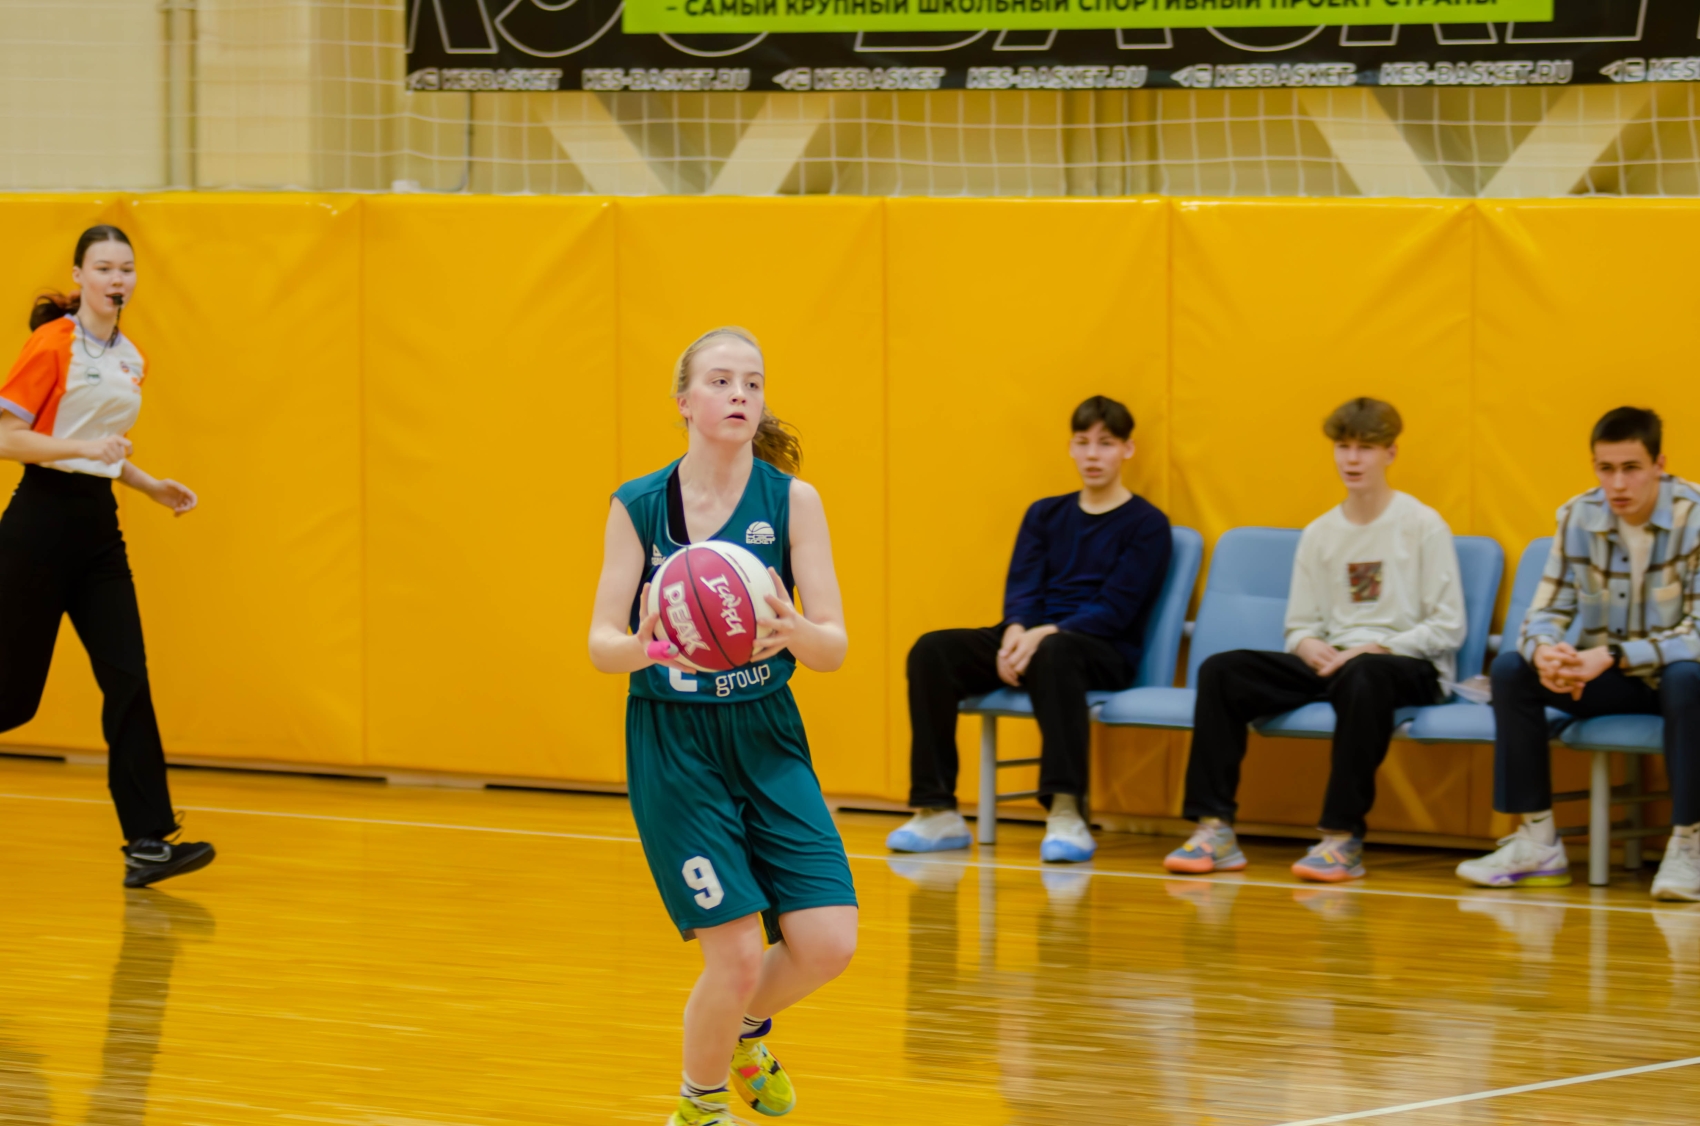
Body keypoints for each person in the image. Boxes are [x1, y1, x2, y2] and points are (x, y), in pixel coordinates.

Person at [588, 327, 857, 1126]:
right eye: (721, 381)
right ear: (684, 402)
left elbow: (833, 646)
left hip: (767, 733)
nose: (740, 394)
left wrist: (795, 631)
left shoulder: (792, 501)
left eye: (753, 382)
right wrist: (645, 646)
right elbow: (600, 645)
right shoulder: (639, 505)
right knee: (735, 954)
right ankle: (699, 1108)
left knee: (829, 944)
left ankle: (740, 1032)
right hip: (676, 744)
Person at [1166, 397, 1465, 882]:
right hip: (1339, 665)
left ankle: (1341, 838)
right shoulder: (1320, 532)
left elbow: (1449, 626)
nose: (1352, 459)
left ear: (1390, 453)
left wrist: (1376, 647)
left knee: (1364, 674)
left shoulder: (1423, 524)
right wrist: (1305, 644)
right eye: (1343, 447)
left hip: (1405, 664)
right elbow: (1300, 624)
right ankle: (1214, 830)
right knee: (1221, 670)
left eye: (1365, 448)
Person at [0, 225, 213, 889]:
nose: (117, 279)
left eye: (126, 268)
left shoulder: (130, 357)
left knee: (128, 678)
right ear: (79, 276)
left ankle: (147, 842)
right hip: (36, 529)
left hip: (98, 534)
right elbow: (7, 438)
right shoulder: (53, 342)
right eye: (103, 268)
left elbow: (103, 446)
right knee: (11, 698)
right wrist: (84, 451)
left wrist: (150, 485)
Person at [887, 396, 1171, 864]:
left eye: (1105, 443)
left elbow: (1117, 609)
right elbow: (1023, 586)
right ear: (1071, 448)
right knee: (932, 650)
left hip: (1101, 648)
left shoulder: (1148, 524)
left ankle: (1065, 812)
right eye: (1083, 442)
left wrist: (1041, 635)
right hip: (1034, 640)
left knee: (1055, 651)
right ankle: (936, 810)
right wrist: (1017, 630)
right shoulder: (1044, 514)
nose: (1093, 454)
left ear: (1127, 449)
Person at [1458, 407, 1700, 900]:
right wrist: (1546, 653)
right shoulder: (1577, 516)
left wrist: (1613, 654)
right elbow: (1544, 612)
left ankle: (1688, 845)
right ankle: (1538, 841)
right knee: (1511, 669)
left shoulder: (1694, 517)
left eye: (1631, 468)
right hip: (1608, 677)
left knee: (1686, 676)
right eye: (1605, 469)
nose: (1618, 484)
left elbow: (1697, 633)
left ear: (1659, 465)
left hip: (1676, 680)